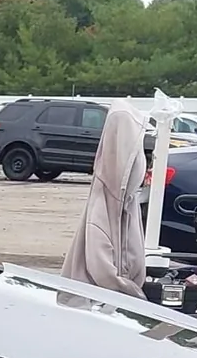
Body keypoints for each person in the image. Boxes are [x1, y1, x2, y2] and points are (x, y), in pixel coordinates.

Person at [60, 100, 147, 297]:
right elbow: (104, 273)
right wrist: (135, 296)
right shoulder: (106, 203)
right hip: (96, 303)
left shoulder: (125, 202)